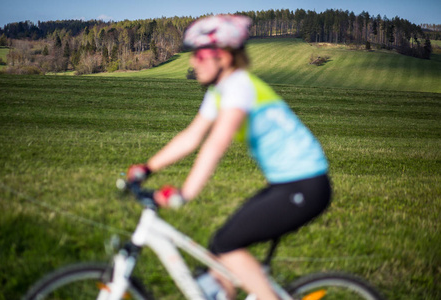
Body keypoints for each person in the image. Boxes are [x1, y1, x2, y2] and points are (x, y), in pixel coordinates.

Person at [127, 14, 332, 300]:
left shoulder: (239, 88)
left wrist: (185, 193)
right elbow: (192, 137)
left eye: (199, 55)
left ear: (222, 56)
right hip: (286, 184)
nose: (192, 62)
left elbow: (215, 144)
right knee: (218, 252)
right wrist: (147, 168)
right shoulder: (221, 91)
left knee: (226, 245)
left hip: (305, 186)